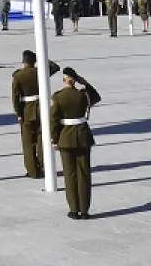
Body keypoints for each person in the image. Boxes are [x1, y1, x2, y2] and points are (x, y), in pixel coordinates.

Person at [51, 66, 101, 220]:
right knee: (84, 174)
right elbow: (97, 97)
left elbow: (53, 120)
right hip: (83, 136)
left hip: (66, 138)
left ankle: (74, 209)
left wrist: (54, 139)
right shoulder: (84, 95)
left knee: (70, 174)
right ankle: (85, 210)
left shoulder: (58, 97)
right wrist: (85, 83)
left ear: (64, 80)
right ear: (75, 80)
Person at [11, 50, 47, 179]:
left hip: (27, 109)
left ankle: (33, 170)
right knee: (42, 139)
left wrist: (18, 113)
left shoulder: (18, 76)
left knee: (28, 142)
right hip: (41, 107)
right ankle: (44, 166)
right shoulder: (40, 72)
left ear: (23, 61)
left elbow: (15, 96)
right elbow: (55, 67)